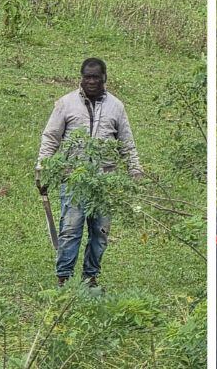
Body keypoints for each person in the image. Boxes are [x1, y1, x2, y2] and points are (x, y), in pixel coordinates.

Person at [35, 58, 144, 287]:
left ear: (105, 78)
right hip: (73, 177)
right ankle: (63, 278)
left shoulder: (117, 106)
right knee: (70, 230)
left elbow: (126, 143)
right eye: (87, 76)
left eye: (96, 77)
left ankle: (90, 278)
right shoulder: (65, 104)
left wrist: (135, 172)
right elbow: (51, 137)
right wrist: (42, 167)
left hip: (105, 180)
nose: (91, 81)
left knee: (100, 232)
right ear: (81, 77)